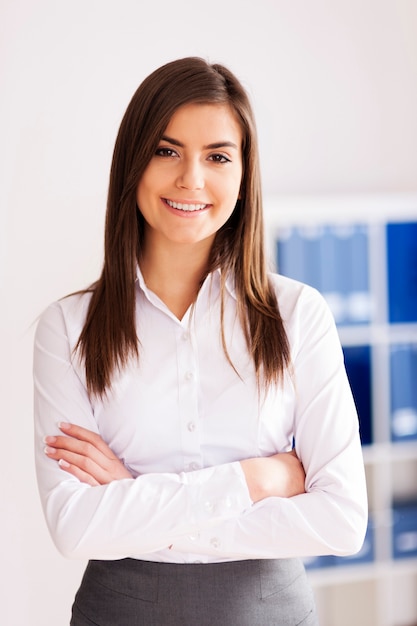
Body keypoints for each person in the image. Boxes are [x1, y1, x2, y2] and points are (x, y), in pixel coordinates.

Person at [34, 57, 368, 626]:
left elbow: (341, 520)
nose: (191, 178)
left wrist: (140, 498)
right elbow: (75, 527)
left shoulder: (297, 316)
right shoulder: (70, 329)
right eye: (167, 151)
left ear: (244, 174)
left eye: (217, 156)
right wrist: (257, 479)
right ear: (132, 164)